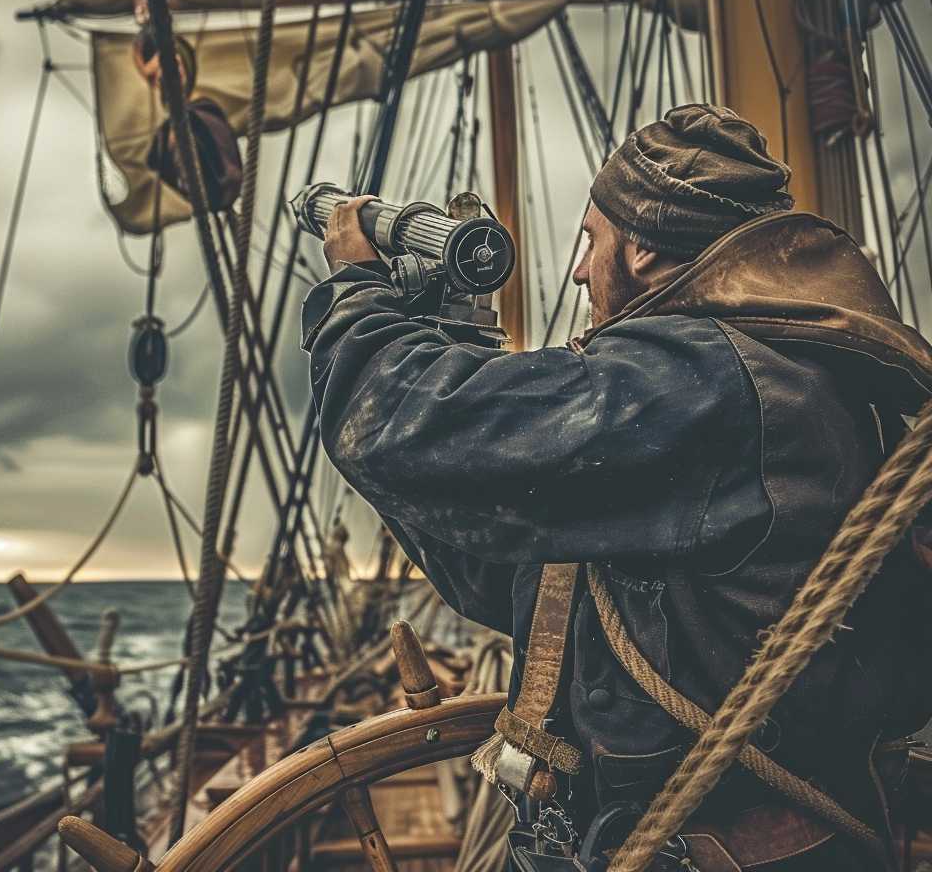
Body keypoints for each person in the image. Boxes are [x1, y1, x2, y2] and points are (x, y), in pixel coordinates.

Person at [302, 104, 932, 870]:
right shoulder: (766, 378)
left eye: (590, 240)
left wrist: (360, 293)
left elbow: (398, 426)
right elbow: (501, 577)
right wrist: (455, 337)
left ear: (640, 248)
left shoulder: (707, 382)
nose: (576, 269)